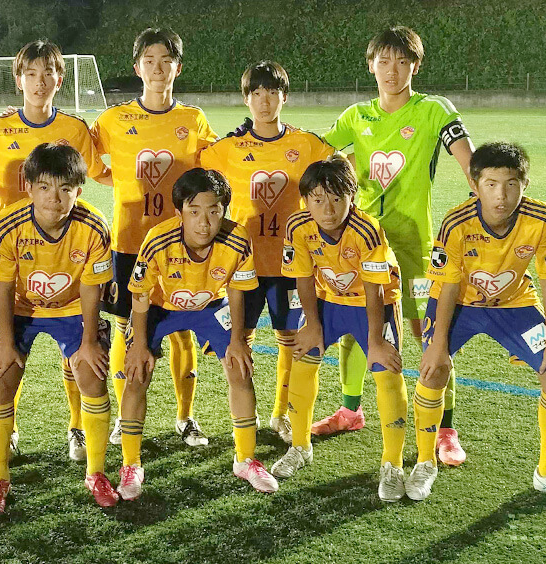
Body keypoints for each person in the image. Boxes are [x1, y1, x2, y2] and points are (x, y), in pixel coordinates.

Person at [0, 40, 110, 460]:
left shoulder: (75, 129)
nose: (39, 81)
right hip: (16, 255)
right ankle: (8, 430)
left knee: (77, 354)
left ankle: (77, 427)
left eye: (48, 73)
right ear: (18, 80)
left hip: (67, 252)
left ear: (60, 79)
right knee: (7, 357)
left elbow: (99, 175)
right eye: (31, 73)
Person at [408, 142, 546, 511]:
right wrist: (438, 345)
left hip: (514, 305)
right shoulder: (456, 222)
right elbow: (446, 287)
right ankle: (425, 462)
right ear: (474, 184)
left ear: (525, 184)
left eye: (511, 184)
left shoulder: (542, 219)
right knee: (434, 369)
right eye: (491, 184)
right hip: (459, 304)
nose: (501, 196)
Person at [320, 26, 475, 467]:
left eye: (402, 61)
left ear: (416, 66)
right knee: (356, 321)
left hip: (416, 245)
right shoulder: (356, 116)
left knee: (430, 332)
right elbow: (314, 153)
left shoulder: (433, 110)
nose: (392, 70)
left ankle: (445, 429)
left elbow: (469, 160)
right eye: (384, 61)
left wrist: (482, 196)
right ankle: (351, 410)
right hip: (364, 243)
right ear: (371, 65)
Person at [91, 28, 217, 447]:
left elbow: (216, 165)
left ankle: (186, 417)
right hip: (129, 243)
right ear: (137, 67)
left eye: (166, 60)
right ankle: (123, 416)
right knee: (126, 328)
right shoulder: (114, 119)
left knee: (182, 330)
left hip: (180, 244)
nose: (158, 68)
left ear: (177, 68)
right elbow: (87, 158)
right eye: (150, 60)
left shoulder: (192, 120)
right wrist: (119, 181)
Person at [119, 168, 278, 501]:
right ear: (179, 213)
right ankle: (131, 464)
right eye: (194, 211)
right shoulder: (157, 239)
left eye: (213, 211)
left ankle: (246, 459)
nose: (204, 222)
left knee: (240, 368)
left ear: (224, 211)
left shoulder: (238, 238)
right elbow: (140, 294)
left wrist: (237, 340)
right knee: (137, 373)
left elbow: (237, 289)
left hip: (210, 306)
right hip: (160, 308)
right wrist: (138, 344)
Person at [199, 60, 335, 443]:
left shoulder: (306, 144)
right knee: (239, 338)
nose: (264, 101)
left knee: (289, 338)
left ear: (284, 97)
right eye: (256, 93)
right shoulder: (229, 148)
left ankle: (282, 413)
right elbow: (194, 168)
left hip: (291, 262)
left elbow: (340, 170)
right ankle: (247, 413)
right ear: (246, 98)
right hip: (244, 263)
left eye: (272, 92)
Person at [0, 143, 117, 513]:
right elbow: (3, 288)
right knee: (2, 378)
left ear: (78, 190)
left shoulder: (94, 226)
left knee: (92, 375)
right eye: (44, 187)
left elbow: (92, 288)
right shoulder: (7, 225)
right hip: (21, 308)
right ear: (28, 188)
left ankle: (96, 473)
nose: (54, 198)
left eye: (65, 188)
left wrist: (89, 342)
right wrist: (6, 343)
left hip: (72, 307)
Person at [270, 155, 409, 502]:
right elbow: (303, 277)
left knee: (386, 371)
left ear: (352, 196)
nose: (328, 209)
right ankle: (300, 446)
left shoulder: (366, 229)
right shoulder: (297, 226)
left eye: (336, 198)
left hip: (373, 302)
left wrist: (375, 341)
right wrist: (312, 324)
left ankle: (393, 463)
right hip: (328, 299)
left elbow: (375, 289)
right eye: (317, 199)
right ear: (306, 200)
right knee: (303, 360)